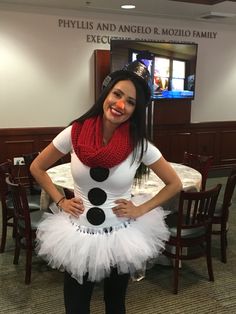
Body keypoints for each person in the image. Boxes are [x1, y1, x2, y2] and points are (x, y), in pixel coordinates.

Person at [30, 60, 182, 314]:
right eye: (117, 94)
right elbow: (37, 167)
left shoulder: (139, 145)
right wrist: (60, 200)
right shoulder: (74, 133)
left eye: (131, 102)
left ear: (136, 110)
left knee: (115, 305)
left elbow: (174, 183)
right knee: (76, 306)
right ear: (106, 94)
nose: (120, 105)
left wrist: (141, 209)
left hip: (119, 236)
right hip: (78, 235)